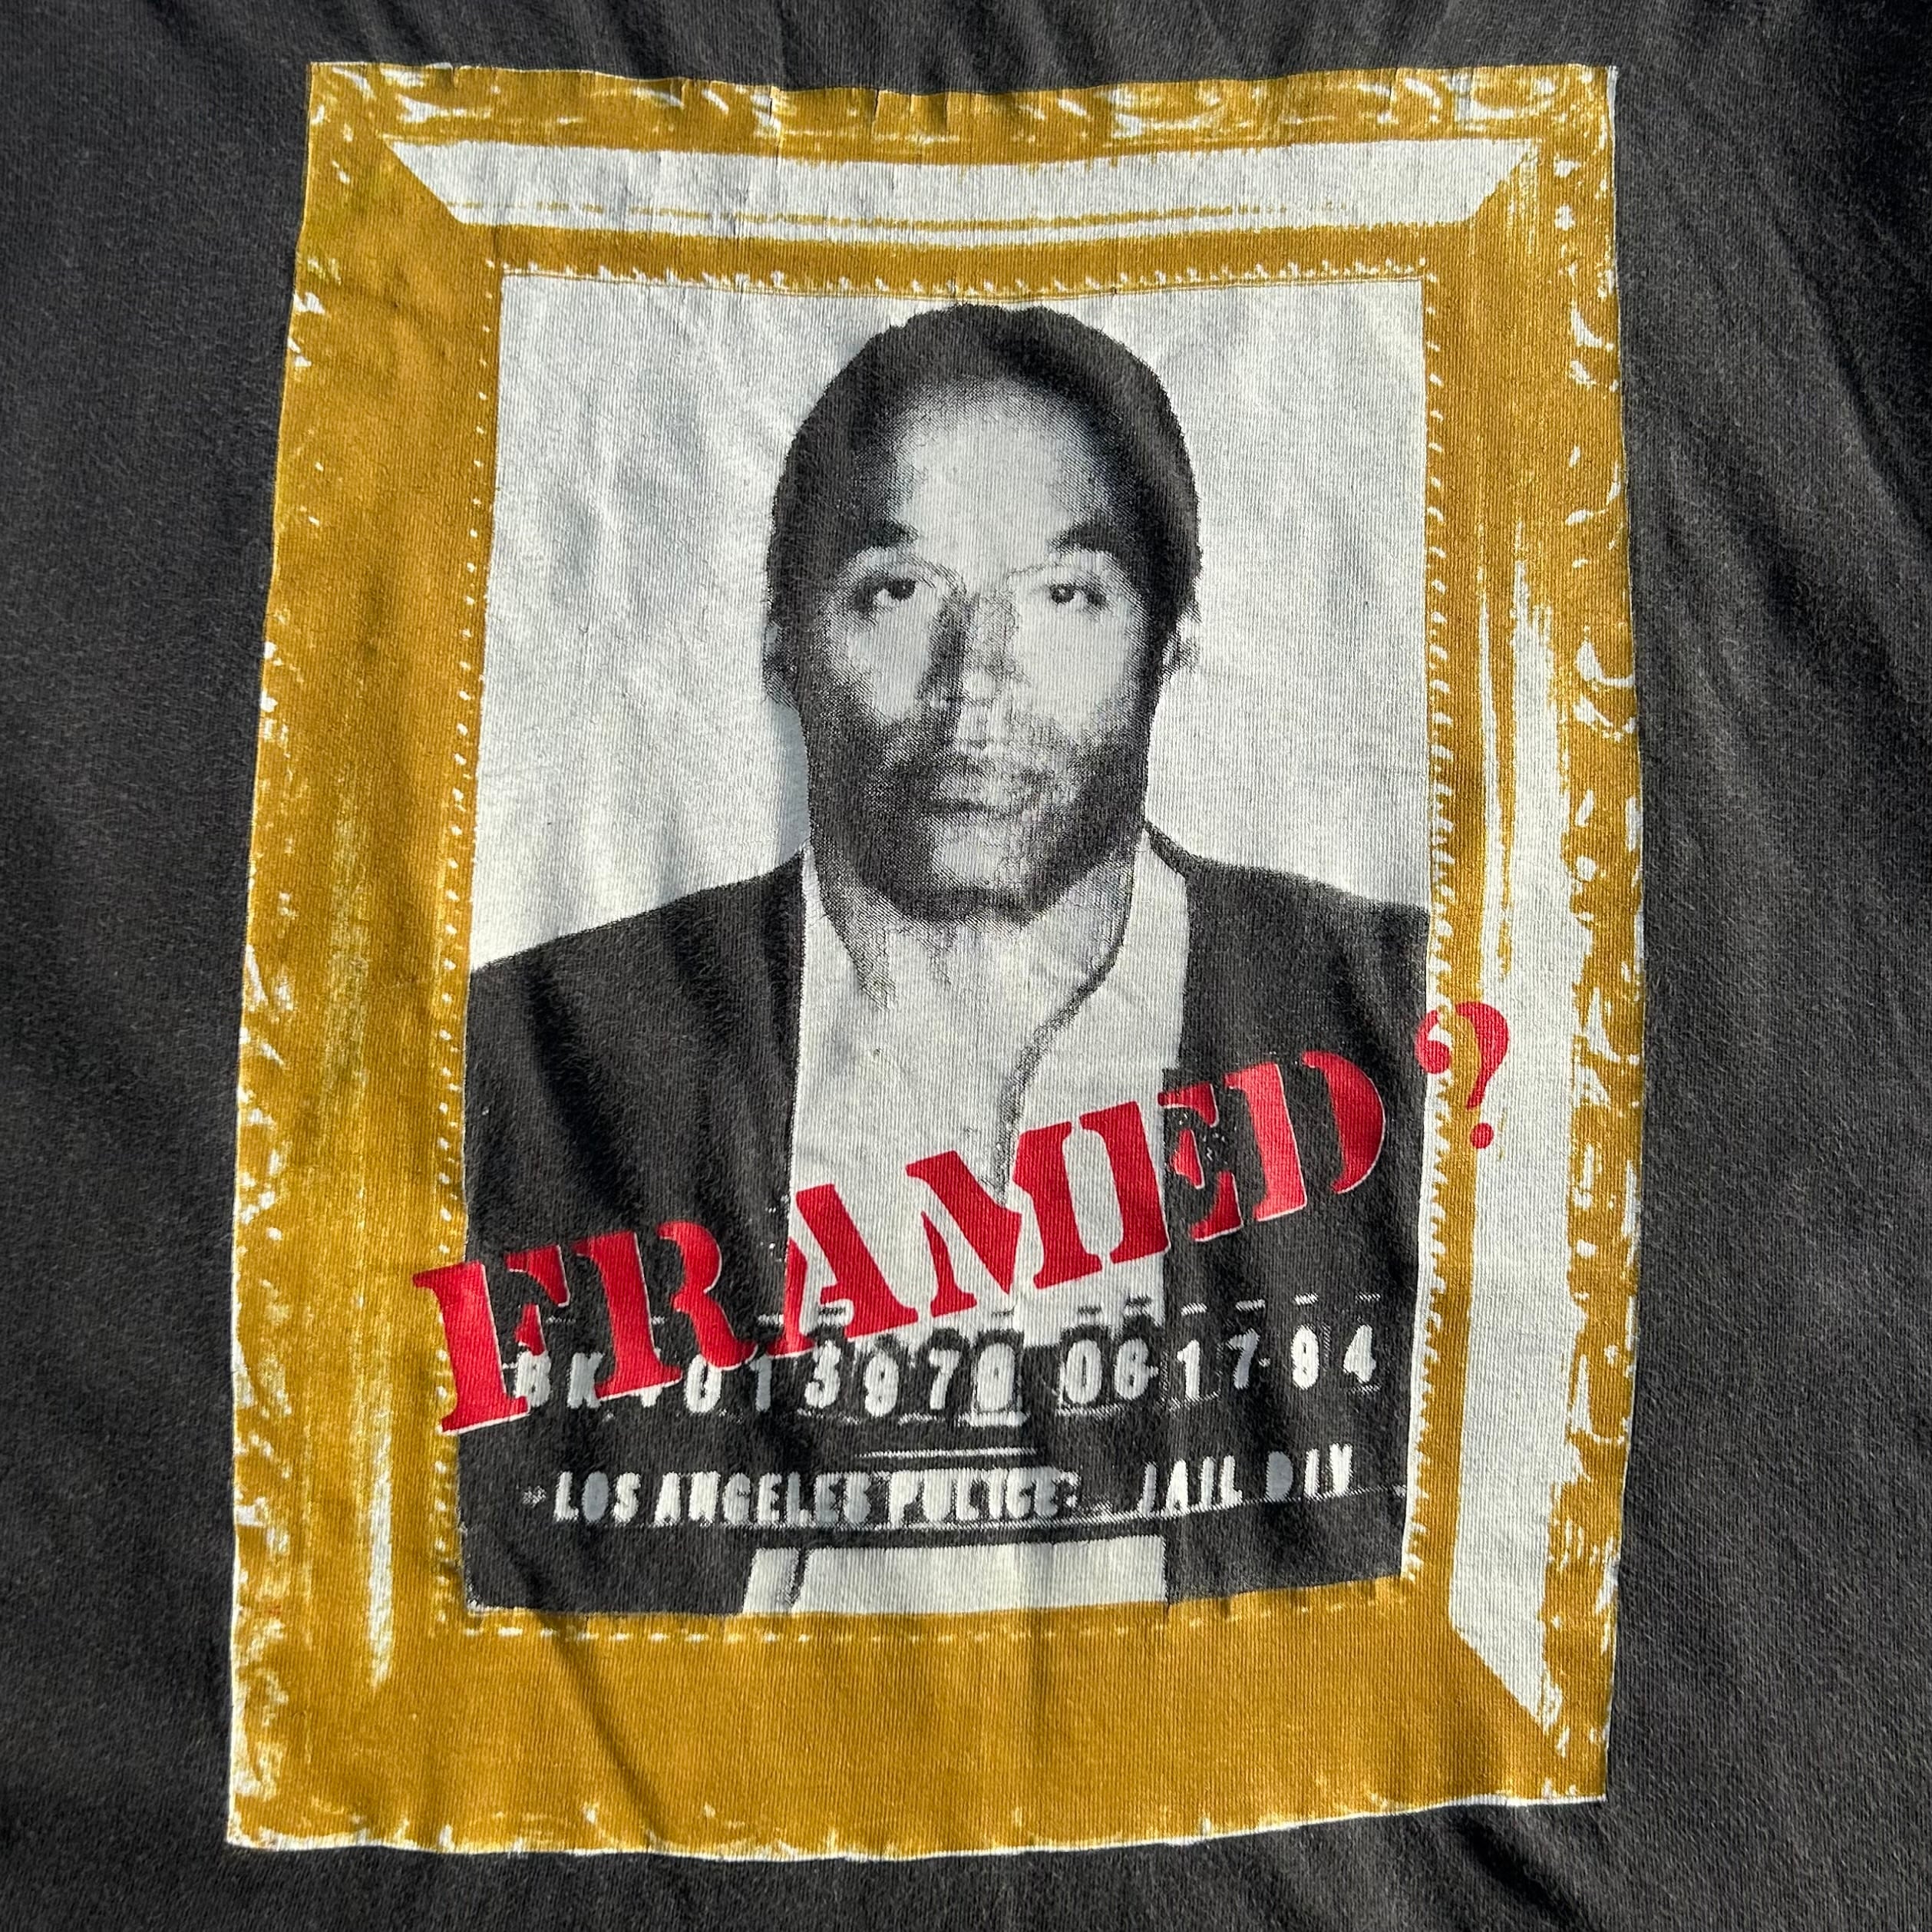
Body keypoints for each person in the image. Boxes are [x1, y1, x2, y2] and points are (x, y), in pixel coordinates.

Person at [457, 304, 1428, 1616]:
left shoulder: (1397, 1020)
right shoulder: (532, 1058)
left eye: (1064, 595)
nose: (975, 682)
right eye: (899, 590)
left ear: (1170, 639)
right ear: (783, 638)